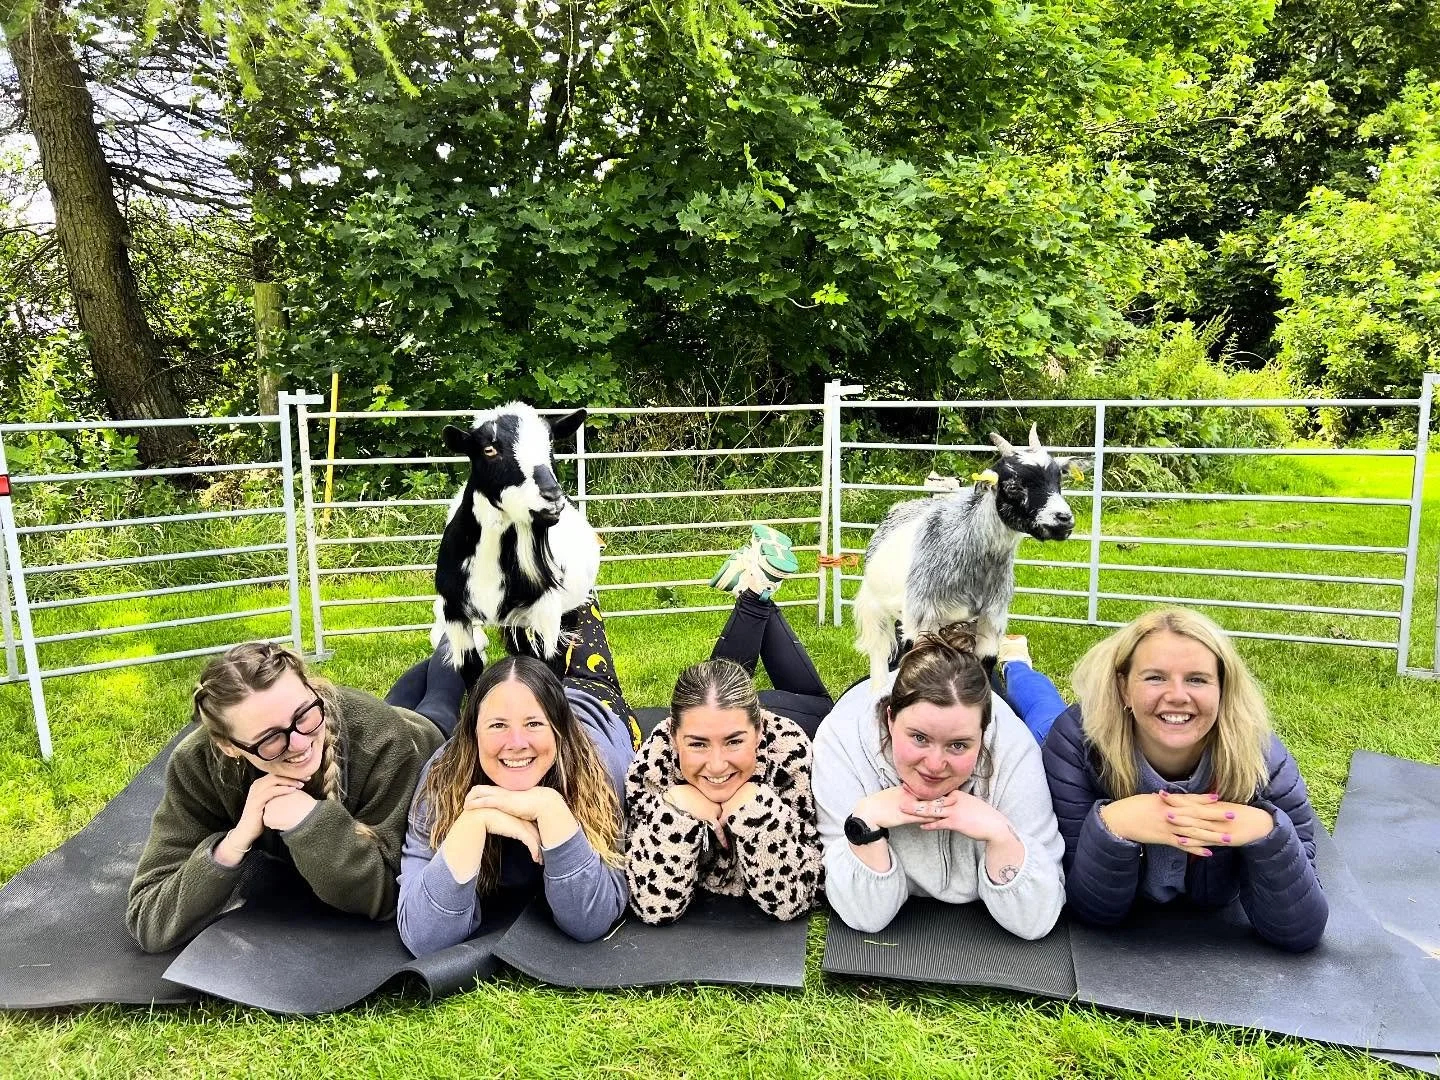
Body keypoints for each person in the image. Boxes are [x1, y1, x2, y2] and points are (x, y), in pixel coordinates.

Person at [127, 641, 452, 953]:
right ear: (229, 746)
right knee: (405, 697)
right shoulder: (197, 763)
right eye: (270, 739)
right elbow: (149, 918)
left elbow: (390, 896)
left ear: (313, 690)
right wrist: (234, 842)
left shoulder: (381, 739)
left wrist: (310, 823)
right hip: (370, 717)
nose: (298, 744)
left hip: (421, 734)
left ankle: (452, 640)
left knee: (439, 704)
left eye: (303, 715)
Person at [1041, 607, 1328, 952]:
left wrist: (1266, 830)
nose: (1177, 695)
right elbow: (1089, 910)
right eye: (1155, 677)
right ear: (1123, 688)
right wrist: (1112, 825)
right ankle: (1018, 665)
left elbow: (1301, 930)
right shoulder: (1075, 745)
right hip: (1061, 729)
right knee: (1039, 710)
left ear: (1223, 688)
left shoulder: (1262, 760)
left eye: (1197, 679)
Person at [396, 601, 634, 956]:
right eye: (497, 725)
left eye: (534, 724)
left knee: (572, 607)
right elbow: (423, 937)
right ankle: (461, 633)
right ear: (471, 733)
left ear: (560, 732)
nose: (517, 743)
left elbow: (591, 918)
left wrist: (549, 807)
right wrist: (473, 823)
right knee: (531, 633)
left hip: (597, 703)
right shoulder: (443, 779)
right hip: (545, 704)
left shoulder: (595, 770)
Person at [812, 623, 1066, 939]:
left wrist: (1001, 836)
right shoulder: (841, 739)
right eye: (919, 738)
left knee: (1043, 715)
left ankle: (1016, 666)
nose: (934, 765)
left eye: (958, 745)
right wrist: (866, 824)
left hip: (983, 702)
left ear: (983, 735)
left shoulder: (1012, 746)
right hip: (871, 693)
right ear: (890, 719)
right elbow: (864, 915)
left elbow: (1037, 919)